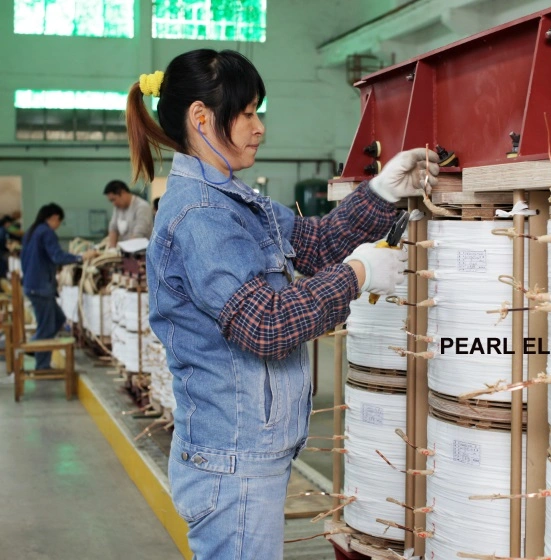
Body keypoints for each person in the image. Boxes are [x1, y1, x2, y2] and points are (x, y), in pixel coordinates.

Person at [125, 50, 439, 559]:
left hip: (249, 451)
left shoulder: (232, 200)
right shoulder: (201, 216)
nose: (260, 127)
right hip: (232, 460)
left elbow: (315, 243)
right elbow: (265, 323)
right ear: (202, 119)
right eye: (247, 113)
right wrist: (360, 274)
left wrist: (380, 192)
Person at [20, 204, 96, 370]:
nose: (58, 225)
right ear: (54, 217)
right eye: (59, 222)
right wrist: (81, 257)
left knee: (58, 320)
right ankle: (40, 362)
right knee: (46, 326)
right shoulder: (46, 232)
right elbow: (57, 256)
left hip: (33, 285)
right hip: (40, 288)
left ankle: (35, 348)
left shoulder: (32, 232)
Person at [103, 180, 153, 248]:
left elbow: (138, 234)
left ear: (123, 193)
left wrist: (124, 250)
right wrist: (112, 249)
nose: (113, 203)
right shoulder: (118, 208)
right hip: (126, 251)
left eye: (113, 199)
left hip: (141, 252)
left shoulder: (142, 207)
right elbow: (113, 228)